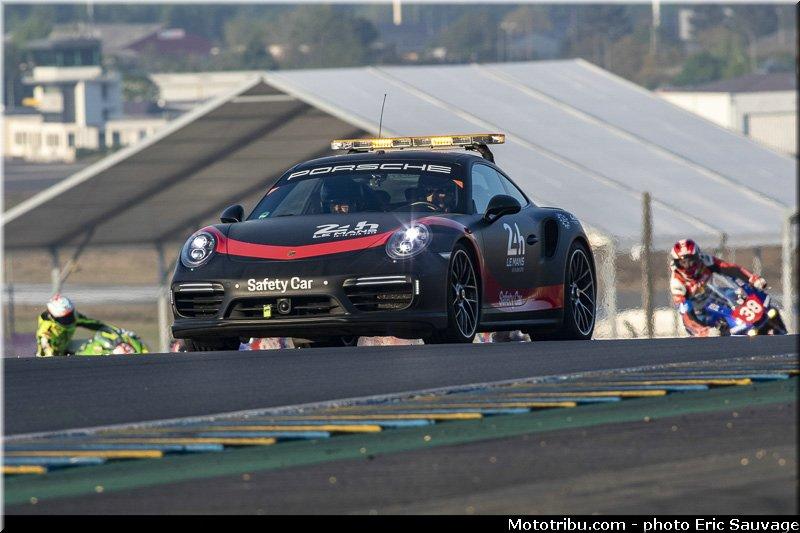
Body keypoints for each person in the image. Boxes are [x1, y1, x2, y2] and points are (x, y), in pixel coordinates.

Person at [669, 239, 767, 337]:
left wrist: (753, 279)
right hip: (698, 311)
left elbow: (731, 269)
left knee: (733, 294)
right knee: (716, 329)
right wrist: (704, 331)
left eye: (691, 261)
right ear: (676, 263)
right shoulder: (677, 283)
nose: (687, 266)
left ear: (698, 257)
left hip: (714, 295)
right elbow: (686, 315)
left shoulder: (705, 260)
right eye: (683, 262)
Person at [36, 294, 113, 357]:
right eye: (64, 318)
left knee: (96, 345)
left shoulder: (74, 317)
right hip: (53, 355)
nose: (69, 319)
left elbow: (94, 324)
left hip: (66, 347)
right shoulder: (46, 329)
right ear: (54, 317)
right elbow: (45, 351)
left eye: (69, 315)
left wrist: (113, 331)